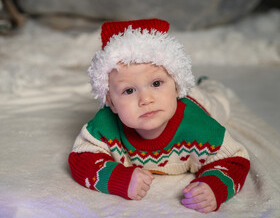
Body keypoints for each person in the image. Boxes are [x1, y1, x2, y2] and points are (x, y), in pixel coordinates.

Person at [68, 19, 250, 213]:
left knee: (220, 103)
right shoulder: (105, 125)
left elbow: (234, 160)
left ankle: (210, 85)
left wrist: (215, 187)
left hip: (200, 103)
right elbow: (81, 158)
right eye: (129, 90)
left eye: (156, 83)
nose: (145, 99)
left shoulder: (199, 127)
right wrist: (120, 179)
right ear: (111, 102)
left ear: (176, 83)